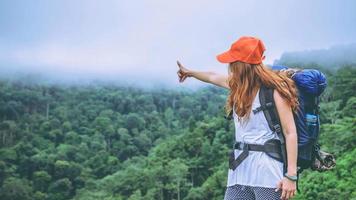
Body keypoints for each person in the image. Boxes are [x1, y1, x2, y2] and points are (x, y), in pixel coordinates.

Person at [176, 36, 298, 200]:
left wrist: (291, 176)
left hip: (267, 172)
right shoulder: (239, 86)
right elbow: (212, 77)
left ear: (242, 65)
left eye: (233, 62)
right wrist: (190, 73)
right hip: (239, 168)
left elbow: (290, 132)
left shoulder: (274, 91)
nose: (230, 66)